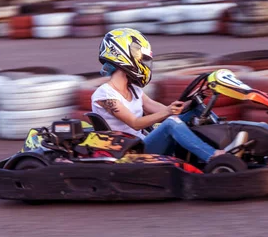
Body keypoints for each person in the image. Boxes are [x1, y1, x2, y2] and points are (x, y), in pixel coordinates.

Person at [91, 28, 248, 163]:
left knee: (195, 109)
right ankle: (214, 156)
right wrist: (168, 113)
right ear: (122, 55)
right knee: (171, 123)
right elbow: (135, 123)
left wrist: (192, 100)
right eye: (142, 59)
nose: (144, 64)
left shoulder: (134, 90)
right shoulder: (104, 95)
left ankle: (230, 139)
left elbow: (160, 109)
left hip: (143, 143)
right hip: (130, 153)